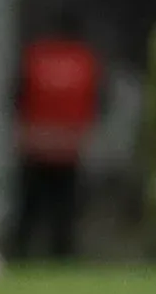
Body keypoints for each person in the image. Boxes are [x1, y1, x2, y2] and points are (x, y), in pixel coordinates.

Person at [15, 27, 104, 259]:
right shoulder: (83, 61)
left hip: (37, 142)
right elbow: (96, 98)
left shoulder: (36, 57)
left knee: (31, 205)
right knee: (64, 205)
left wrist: (22, 132)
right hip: (69, 144)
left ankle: (21, 252)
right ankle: (62, 252)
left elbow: (18, 96)